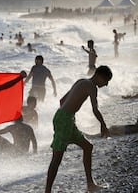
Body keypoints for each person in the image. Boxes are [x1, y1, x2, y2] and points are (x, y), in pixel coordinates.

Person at [45, 65, 113, 193]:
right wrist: (103, 125)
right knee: (57, 157)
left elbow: (62, 100)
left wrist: (69, 113)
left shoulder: (81, 81)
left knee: (88, 147)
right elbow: (95, 109)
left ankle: (90, 184)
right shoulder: (91, 87)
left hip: (65, 118)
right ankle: (47, 191)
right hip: (65, 120)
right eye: (106, 81)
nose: (106, 85)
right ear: (99, 76)